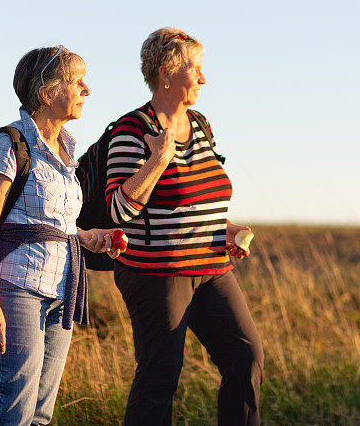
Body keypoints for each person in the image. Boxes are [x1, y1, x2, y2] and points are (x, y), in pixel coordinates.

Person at [106, 28, 264, 425]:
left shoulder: (201, 124)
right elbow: (118, 211)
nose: (203, 78)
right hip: (157, 274)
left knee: (245, 355)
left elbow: (195, 198)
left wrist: (224, 227)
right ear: (166, 73)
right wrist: (158, 159)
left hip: (212, 269)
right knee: (160, 376)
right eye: (195, 68)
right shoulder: (131, 131)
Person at [0, 46, 123, 425]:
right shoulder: (7, 145)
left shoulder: (66, 151)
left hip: (60, 295)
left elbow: (50, 221)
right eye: (77, 82)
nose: (86, 89)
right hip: (16, 291)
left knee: (39, 414)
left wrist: (86, 237)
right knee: (12, 411)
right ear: (47, 92)